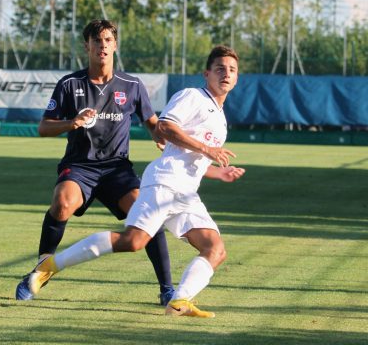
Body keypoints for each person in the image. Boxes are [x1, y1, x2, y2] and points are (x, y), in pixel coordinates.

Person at [26, 45, 246, 318]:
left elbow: (189, 157)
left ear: (237, 78)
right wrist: (208, 149)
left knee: (215, 249)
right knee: (133, 241)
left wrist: (216, 171)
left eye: (232, 70)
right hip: (165, 183)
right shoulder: (192, 96)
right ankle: (51, 265)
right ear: (206, 74)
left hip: (187, 192)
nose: (226, 74)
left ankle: (180, 301)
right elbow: (164, 127)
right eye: (220, 69)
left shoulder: (220, 117)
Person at [15, 19, 174, 305]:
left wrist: (160, 137)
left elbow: (152, 122)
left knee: (147, 215)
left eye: (108, 40)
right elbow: (43, 127)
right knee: (62, 203)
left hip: (117, 169)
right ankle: (40, 270)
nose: (102, 45)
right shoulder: (70, 84)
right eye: (97, 40)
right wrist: (71, 123)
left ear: (115, 45)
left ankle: (167, 289)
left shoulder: (132, 85)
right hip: (80, 167)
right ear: (87, 45)